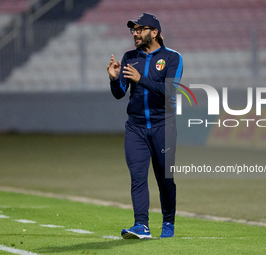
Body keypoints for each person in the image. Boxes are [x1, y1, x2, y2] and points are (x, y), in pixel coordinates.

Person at [107, 12, 183, 239]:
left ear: (155, 32)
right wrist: (114, 79)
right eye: (133, 30)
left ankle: (168, 223)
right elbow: (120, 94)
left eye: (140, 29)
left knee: (165, 179)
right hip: (136, 128)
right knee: (138, 177)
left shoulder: (172, 58)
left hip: (164, 127)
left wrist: (142, 80)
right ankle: (141, 225)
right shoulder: (129, 57)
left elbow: (170, 91)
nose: (135, 33)